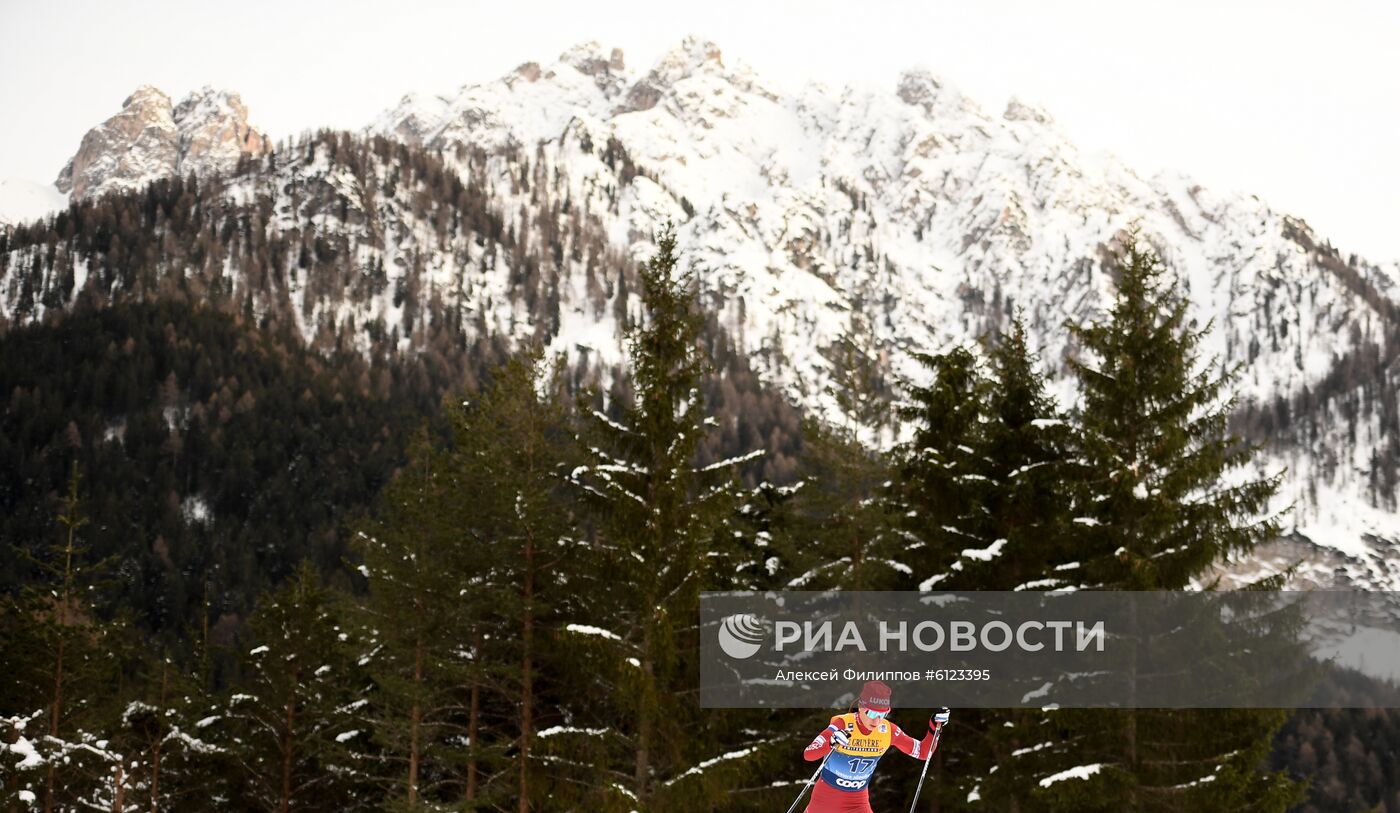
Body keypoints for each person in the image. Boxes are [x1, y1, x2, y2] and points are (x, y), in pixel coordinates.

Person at [801, 680, 949, 813]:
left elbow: (923, 752)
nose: (876, 720)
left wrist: (933, 728)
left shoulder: (888, 731)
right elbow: (809, 754)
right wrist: (830, 742)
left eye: (882, 714)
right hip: (826, 801)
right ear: (860, 706)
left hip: (857, 803)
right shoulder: (843, 725)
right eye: (871, 713)